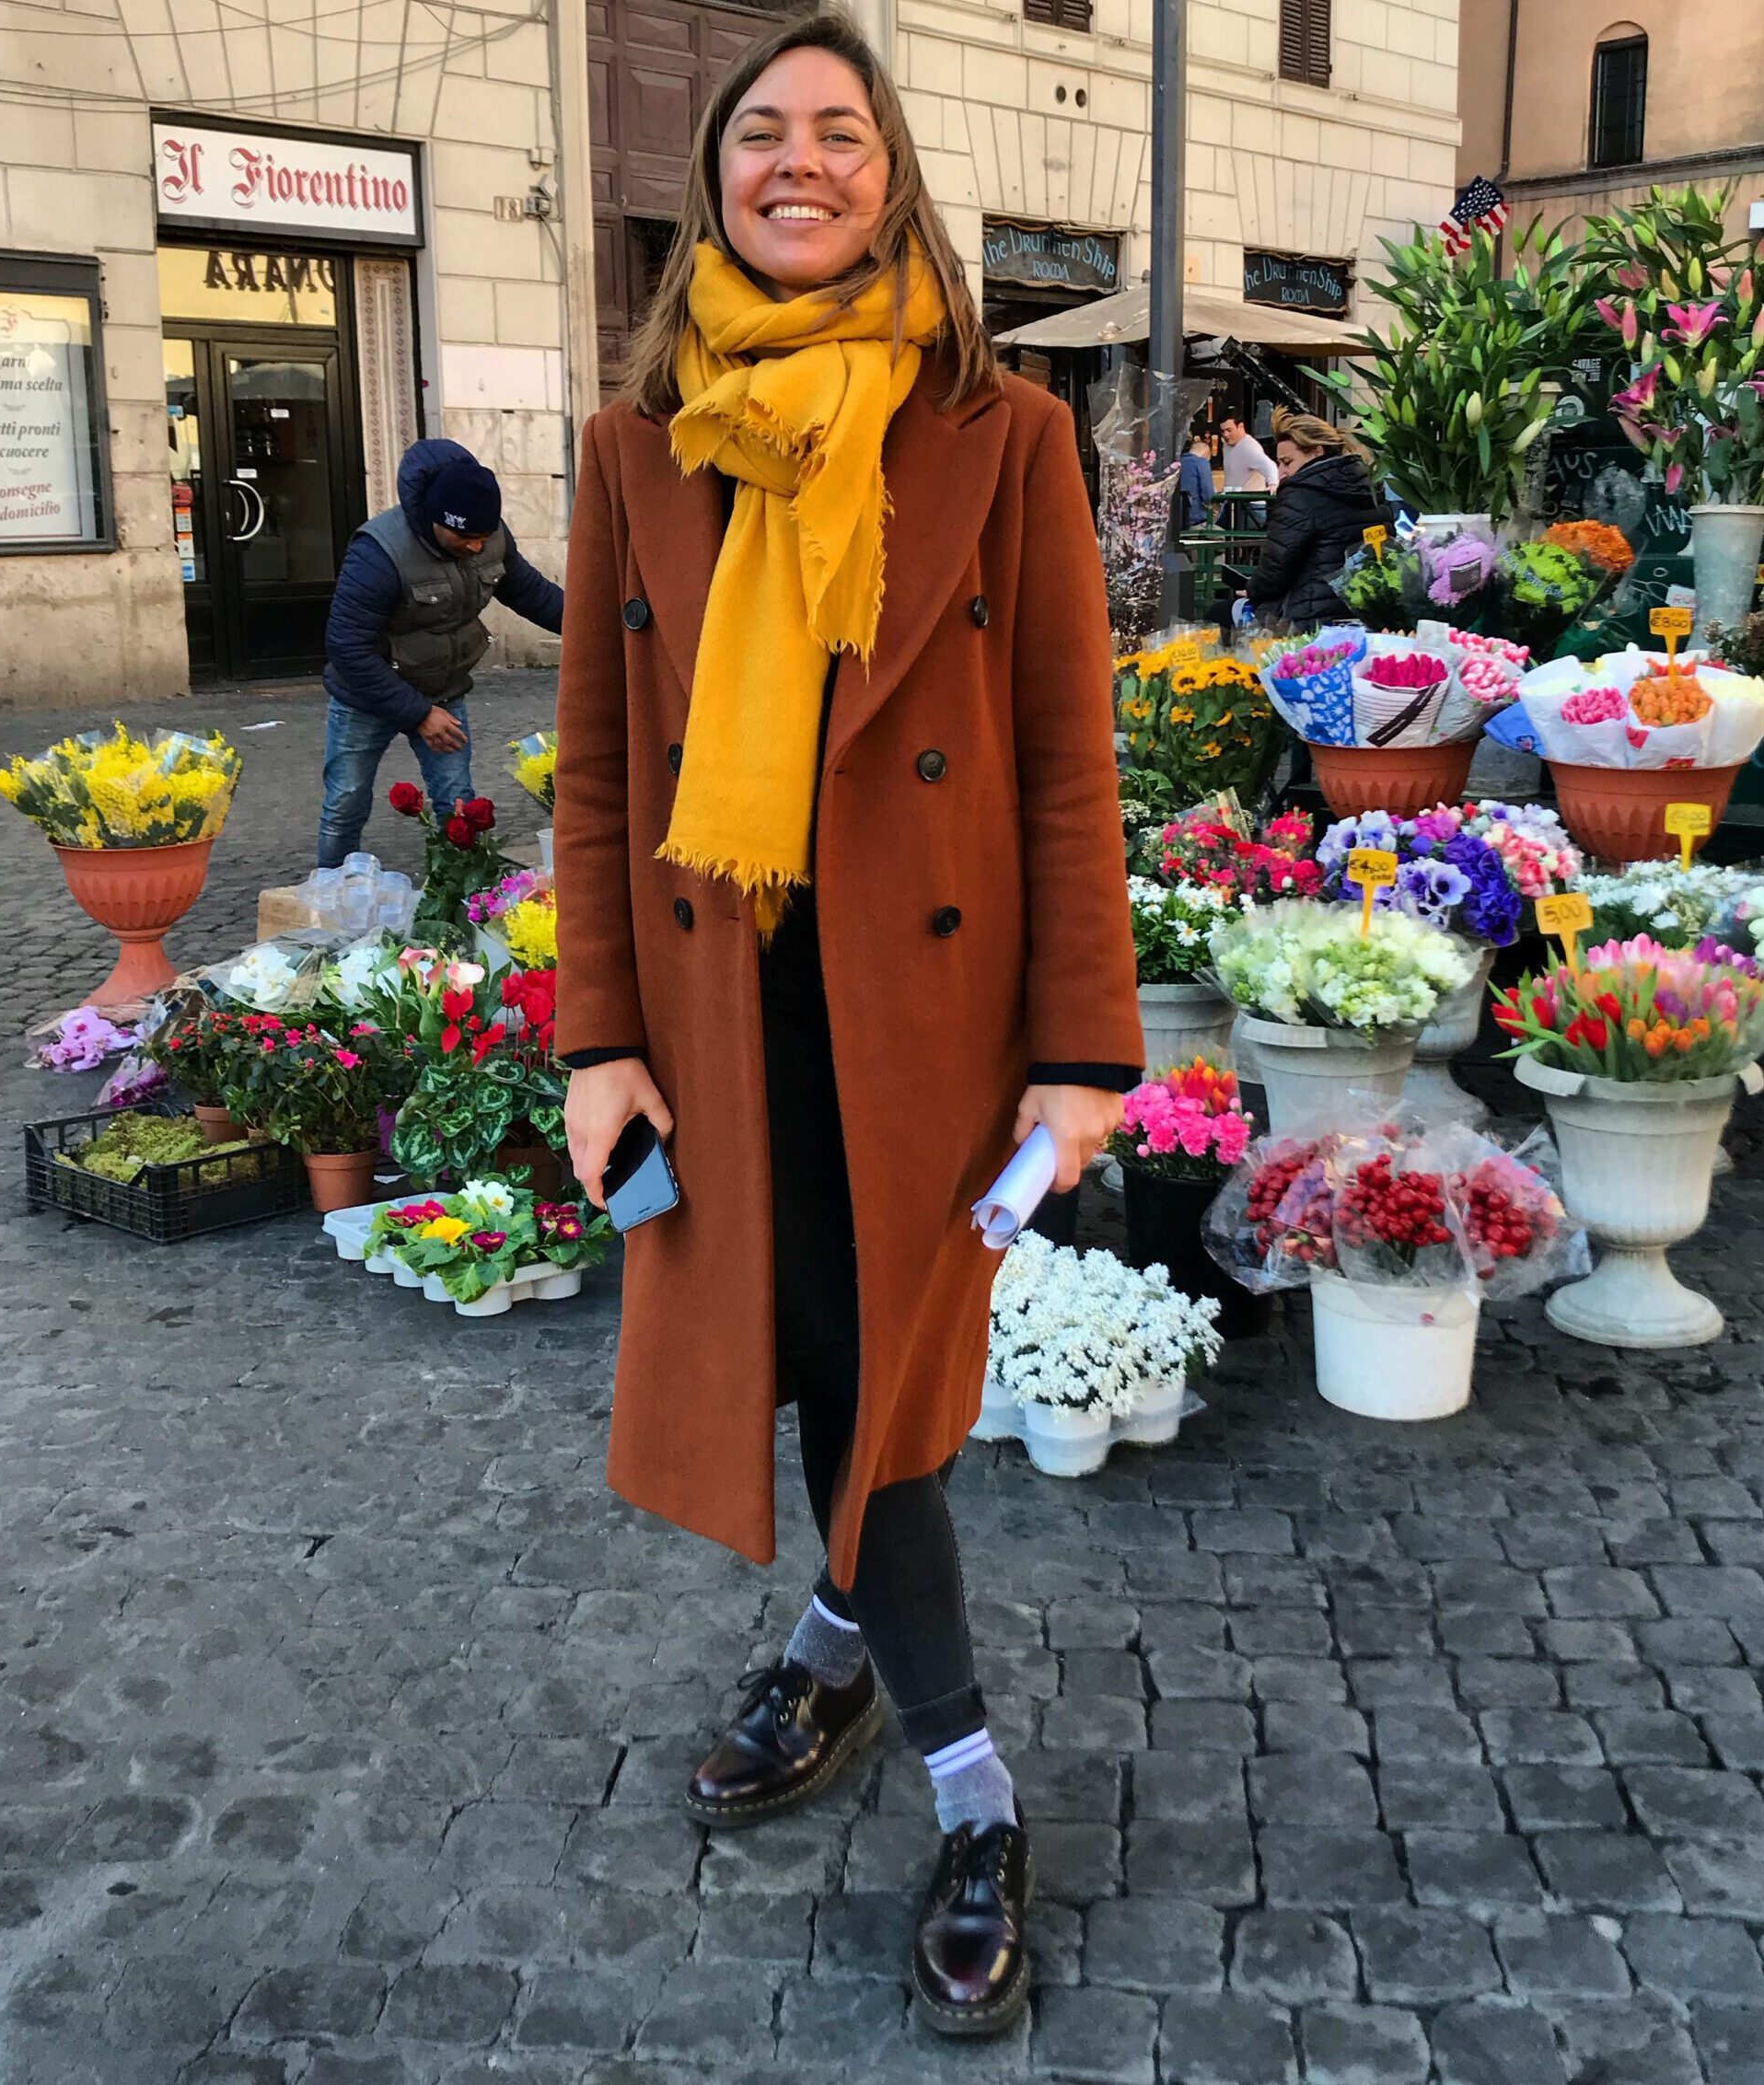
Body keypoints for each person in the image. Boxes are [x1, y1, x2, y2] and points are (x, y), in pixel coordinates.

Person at [552, 10, 1139, 2039]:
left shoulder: (1008, 433)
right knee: (827, 1363)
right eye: (758, 136)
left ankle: (956, 1779)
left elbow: (1067, 761)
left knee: (870, 1379)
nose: (797, 163)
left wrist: (1080, 1054)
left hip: (934, 1015)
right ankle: (845, 1662)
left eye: (838, 132)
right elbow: (602, 784)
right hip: (720, 1005)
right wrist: (592, 1039)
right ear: (711, 179)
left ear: (894, 175)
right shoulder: (638, 449)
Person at [316, 436, 566, 864]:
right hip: (366, 695)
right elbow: (347, 646)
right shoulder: (378, 552)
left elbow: (530, 593)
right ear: (435, 518)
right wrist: (418, 714)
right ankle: (328, 898)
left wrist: (599, 628)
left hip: (443, 688)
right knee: (345, 804)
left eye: (484, 537)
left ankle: (459, 902)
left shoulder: (488, 536)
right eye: (466, 536)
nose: (476, 546)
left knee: (459, 805)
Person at [1242, 412, 1396, 628]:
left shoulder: (1299, 494)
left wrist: (1251, 588)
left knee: (1220, 616)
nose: (1282, 472)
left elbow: (1274, 572)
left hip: (1306, 617)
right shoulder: (1371, 487)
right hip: (1368, 612)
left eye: (1287, 462)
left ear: (1316, 451)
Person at [1217, 410, 1279, 495]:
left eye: (1229, 430)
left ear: (1240, 426)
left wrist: (1273, 484)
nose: (1225, 435)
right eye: (1223, 431)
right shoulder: (1226, 446)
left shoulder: (1249, 446)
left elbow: (1269, 465)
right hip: (1234, 500)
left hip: (1251, 502)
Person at [1178, 430, 1216, 526]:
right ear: (1206, 454)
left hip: (1176, 517)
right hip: (1195, 518)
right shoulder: (1202, 462)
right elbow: (1208, 495)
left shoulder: (1178, 462)